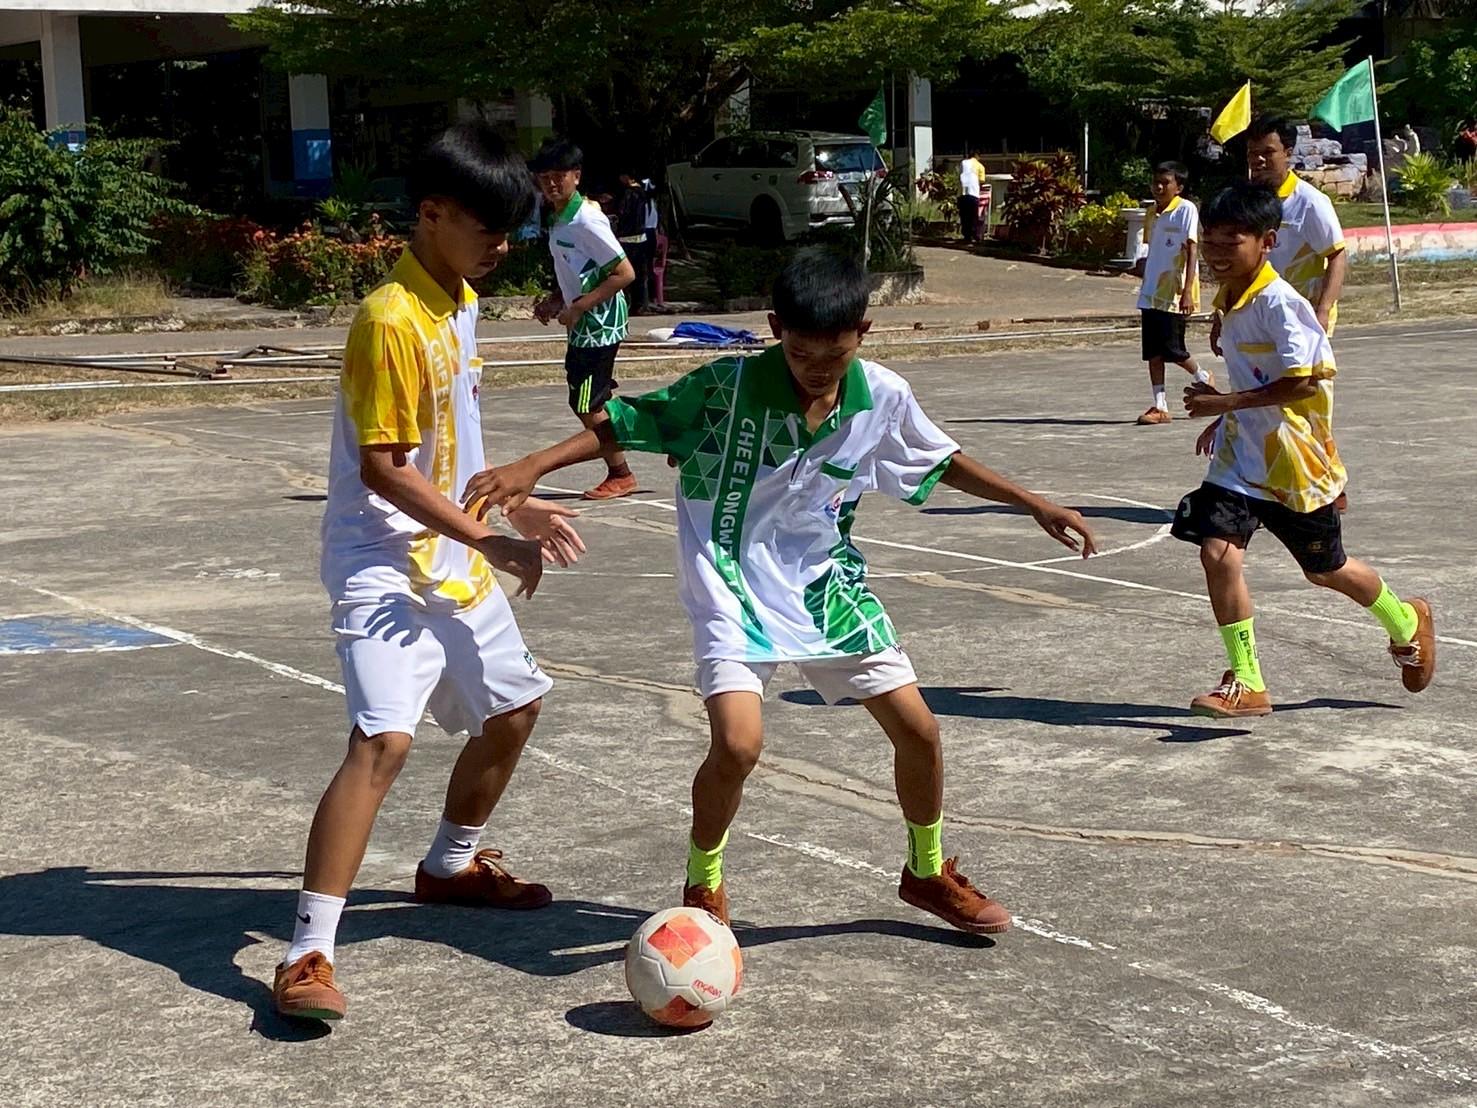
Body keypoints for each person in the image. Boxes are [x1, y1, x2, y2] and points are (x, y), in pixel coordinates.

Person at [463, 246, 1099, 935]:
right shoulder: (726, 388)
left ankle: (925, 872)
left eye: (835, 354)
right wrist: (533, 464)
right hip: (730, 585)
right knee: (738, 745)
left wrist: (1033, 503)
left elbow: (940, 461)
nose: (818, 368)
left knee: (919, 731)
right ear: (774, 330)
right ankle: (703, 883)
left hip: (826, 586)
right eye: (801, 353)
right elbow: (631, 421)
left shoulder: (882, 395)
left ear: (863, 333)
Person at [273, 122, 588, 1023]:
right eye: (488, 229)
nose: (502, 247)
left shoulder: (459, 302)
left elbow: (452, 440)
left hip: (450, 547)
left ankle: (448, 867)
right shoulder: (388, 318)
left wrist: (511, 508)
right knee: (384, 742)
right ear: (431, 213)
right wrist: (489, 540)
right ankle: (305, 954)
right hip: (379, 557)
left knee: (515, 709)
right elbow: (384, 467)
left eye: (511, 233)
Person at [1174, 181, 1434, 719]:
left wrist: (1226, 401)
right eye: (1211, 241)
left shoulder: (1282, 305)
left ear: (1266, 242)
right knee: (1217, 553)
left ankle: (1406, 620)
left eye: (1231, 241)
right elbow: (1255, 373)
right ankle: (1248, 680)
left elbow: (1305, 382)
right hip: (1240, 460)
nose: (1217, 253)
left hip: (1294, 461)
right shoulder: (1231, 295)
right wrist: (1227, 417)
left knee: (1326, 570)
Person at [529, 137, 639, 501]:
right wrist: (556, 299)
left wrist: (578, 307)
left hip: (600, 324)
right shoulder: (559, 217)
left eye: (559, 176)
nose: (551, 183)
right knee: (592, 399)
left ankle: (621, 473)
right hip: (584, 325)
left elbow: (624, 273)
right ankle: (634, 433)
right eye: (544, 176)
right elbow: (579, 269)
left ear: (576, 176)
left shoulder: (586, 219)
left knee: (586, 403)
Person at [1237, 116, 1347, 336]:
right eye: (1252, 153)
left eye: (1267, 152)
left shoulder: (1309, 202)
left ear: (1287, 153)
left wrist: (1323, 311)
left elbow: (1336, 255)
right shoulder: (1244, 201)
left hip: (1301, 318)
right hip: (1257, 315)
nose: (1258, 160)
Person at [1132, 161, 1210, 426]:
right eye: (1155, 182)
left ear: (1179, 187)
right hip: (1150, 292)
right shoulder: (1151, 213)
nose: (1158, 187)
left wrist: (1188, 291)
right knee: (1152, 352)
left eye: (1165, 182)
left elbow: (1192, 249)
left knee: (1174, 349)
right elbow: (1148, 249)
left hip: (1174, 292)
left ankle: (1203, 377)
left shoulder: (1186, 210)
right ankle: (1160, 405)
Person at [615, 171, 652, 314]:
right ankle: (640, 304)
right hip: (641, 236)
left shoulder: (629, 194)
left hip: (627, 237)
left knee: (624, 272)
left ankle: (625, 303)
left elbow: (623, 212)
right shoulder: (643, 193)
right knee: (640, 274)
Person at [958, 153, 982, 244]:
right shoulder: (980, 166)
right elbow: (982, 180)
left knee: (964, 216)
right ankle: (975, 236)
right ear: (978, 156)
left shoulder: (963, 163)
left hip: (962, 193)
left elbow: (960, 175)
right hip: (974, 193)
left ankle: (966, 236)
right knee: (973, 216)